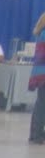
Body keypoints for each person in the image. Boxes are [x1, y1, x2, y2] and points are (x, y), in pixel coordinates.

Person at [29, 11, 45, 146]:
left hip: (39, 73)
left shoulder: (41, 33)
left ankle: (34, 134)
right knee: (42, 105)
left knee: (40, 104)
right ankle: (38, 135)